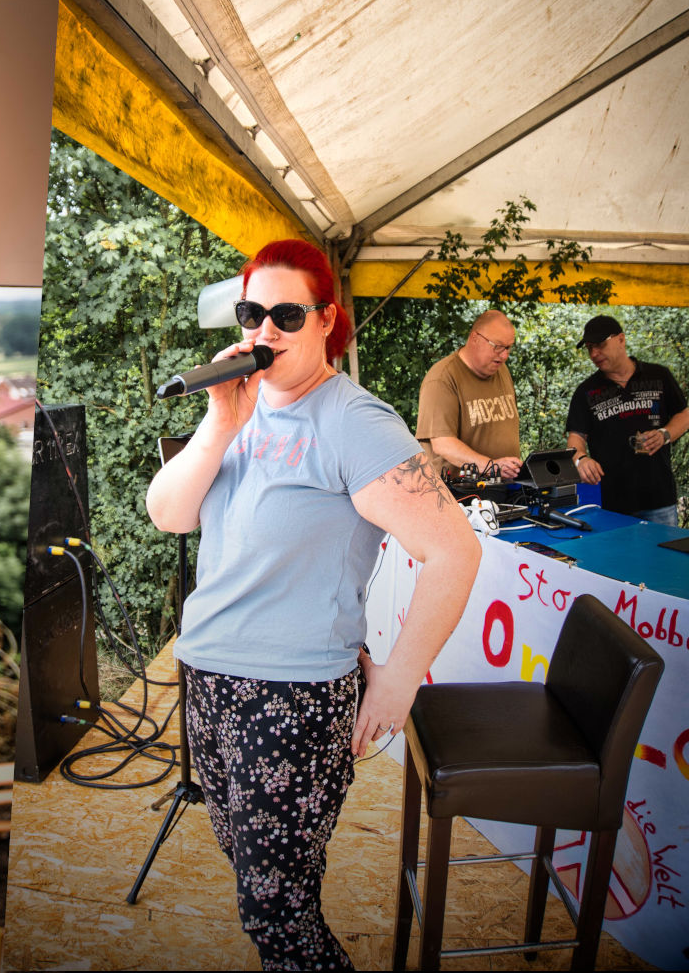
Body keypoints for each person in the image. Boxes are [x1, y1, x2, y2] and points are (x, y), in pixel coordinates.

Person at [145, 239, 479, 969]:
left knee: (276, 919)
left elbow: (455, 550)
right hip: (209, 677)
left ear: (328, 319)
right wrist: (219, 426)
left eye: (286, 314)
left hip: (290, 697)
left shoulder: (354, 422)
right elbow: (169, 514)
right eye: (251, 312)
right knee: (259, 874)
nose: (265, 331)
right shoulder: (239, 408)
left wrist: (399, 675)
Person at [566, 314, 688, 527]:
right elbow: (575, 437)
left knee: (664, 559)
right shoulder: (586, 391)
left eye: (601, 345)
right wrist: (581, 460)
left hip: (659, 498)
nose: (594, 353)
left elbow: (684, 415)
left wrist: (665, 434)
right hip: (612, 503)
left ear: (621, 339)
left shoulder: (659, 375)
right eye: (589, 348)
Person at [415, 309, 521, 478]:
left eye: (508, 348)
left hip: (503, 486)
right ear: (475, 339)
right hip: (460, 493)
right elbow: (443, 444)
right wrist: (491, 466)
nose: (504, 356)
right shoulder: (442, 378)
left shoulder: (501, 370)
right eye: (498, 347)